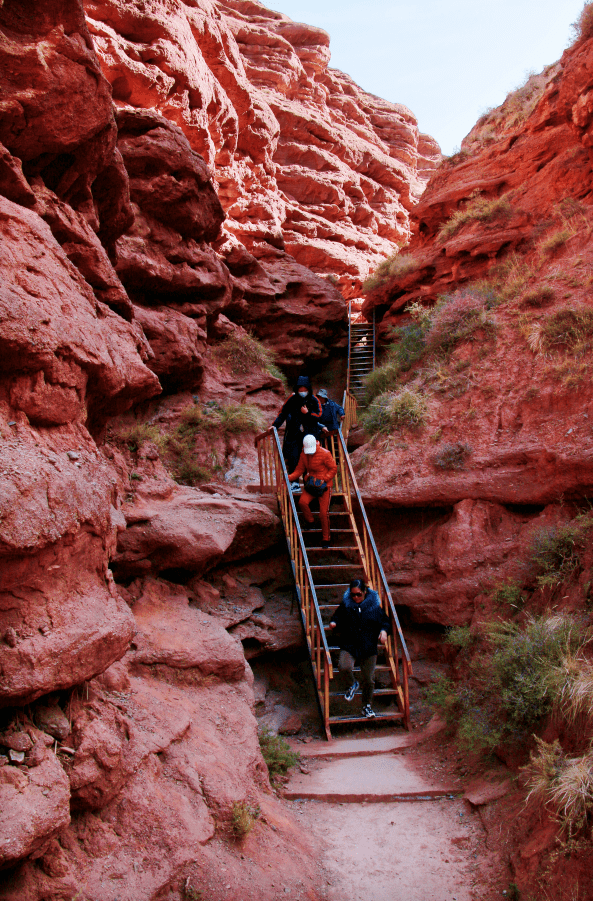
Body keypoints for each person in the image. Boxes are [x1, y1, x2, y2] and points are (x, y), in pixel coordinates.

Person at [328, 578, 391, 718]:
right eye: (353, 594)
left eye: (358, 594)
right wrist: (333, 623)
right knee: (344, 666)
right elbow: (337, 616)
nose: (355, 597)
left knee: (368, 679)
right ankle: (352, 684)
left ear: (365, 592)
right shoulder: (347, 604)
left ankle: (366, 706)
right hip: (350, 644)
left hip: (368, 646)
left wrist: (384, 631)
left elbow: (385, 622)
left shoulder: (374, 606)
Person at [287, 434, 337, 548]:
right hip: (311, 485)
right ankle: (310, 521)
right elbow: (300, 469)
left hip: (324, 486)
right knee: (302, 502)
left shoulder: (325, 453)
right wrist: (288, 477)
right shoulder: (304, 454)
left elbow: (333, 468)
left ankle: (326, 538)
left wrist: (324, 479)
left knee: (323, 513)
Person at [272, 376, 322, 488]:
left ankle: (309, 482)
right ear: (297, 390)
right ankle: (294, 482)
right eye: (300, 391)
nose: (303, 392)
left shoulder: (314, 400)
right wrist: (274, 426)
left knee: (309, 457)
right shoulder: (292, 399)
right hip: (294, 434)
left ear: (309, 390)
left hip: (309, 434)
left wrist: (307, 413)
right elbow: (283, 413)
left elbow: (318, 415)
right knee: (294, 456)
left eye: (305, 390)